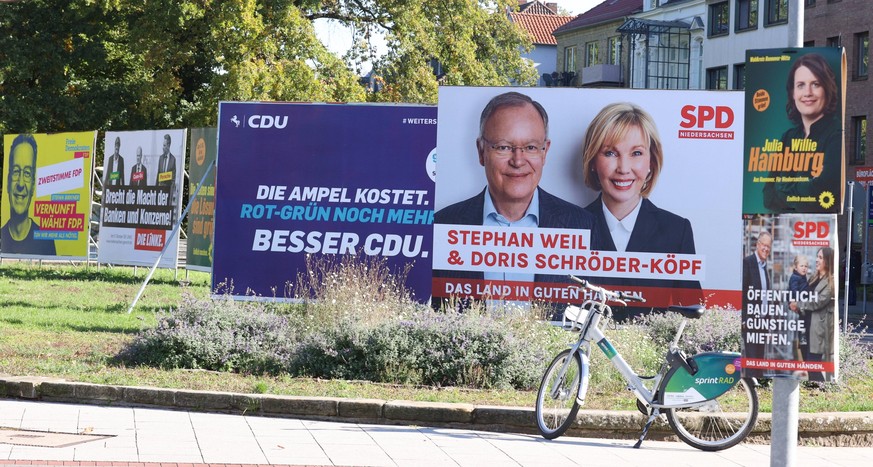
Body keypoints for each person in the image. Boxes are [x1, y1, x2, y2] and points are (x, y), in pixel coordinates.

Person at [433, 91, 595, 308]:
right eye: (503, 147)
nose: (518, 161)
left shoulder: (585, 227)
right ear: (481, 152)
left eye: (530, 147)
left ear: (545, 152)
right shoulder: (442, 227)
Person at [581, 102, 700, 311]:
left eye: (636, 153)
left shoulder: (676, 231)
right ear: (592, 160)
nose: (624, 168)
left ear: (651, 162)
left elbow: (691, 315)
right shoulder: (569, 227)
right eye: (610, 153)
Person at [763, 53, 841, 212]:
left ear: (827, 89)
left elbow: (819, 193)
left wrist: (784, 190)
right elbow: (768, 196)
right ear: (793, 93)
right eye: (800, 85)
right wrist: (801, 191)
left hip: (820, 229)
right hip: (788, 228)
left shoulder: (837, 135)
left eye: (816, 84)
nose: (808, 93)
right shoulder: (788, 138)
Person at [1, 134, 56, 256]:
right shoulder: (1, 236)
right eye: (16, 172)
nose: (20, 183)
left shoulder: (47, 242)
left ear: (33, 185)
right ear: (8, 181)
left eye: (27, 173)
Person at [790, 247, 836, 382]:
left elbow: (817, 302)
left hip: (816, 330)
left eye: (820, 257)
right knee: (807, 363)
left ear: (828, 261)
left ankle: (824, 391)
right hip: (805, 326)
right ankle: (817, 390)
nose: (817, 260)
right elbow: (803, 294)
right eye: (817, 256)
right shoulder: (813, 277)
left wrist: (798, 304)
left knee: (813, 365)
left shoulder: (830, 282)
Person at [157, 134, 178, 222]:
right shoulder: (161, 158)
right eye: (163, 145)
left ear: (169, 146)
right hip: (160, 190)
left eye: (164, 145)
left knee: (166, 214)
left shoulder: (173, 159)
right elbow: (158, 175)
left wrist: (171, 192)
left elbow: (173, 178)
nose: (163, 147)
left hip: (168, 190)